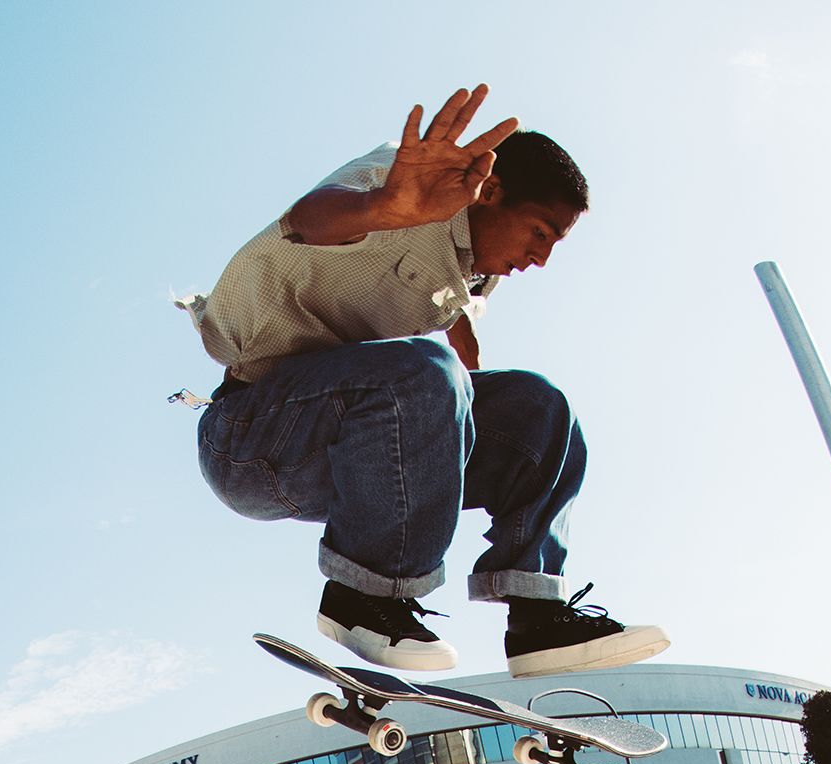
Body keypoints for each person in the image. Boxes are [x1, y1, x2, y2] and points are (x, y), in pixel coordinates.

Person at [184, 84, 668, 680]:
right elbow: (307, 221)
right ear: (491, 192)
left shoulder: (474, 267)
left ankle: (536, 618)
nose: (540, 259)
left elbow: (450, 319)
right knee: (424, 371)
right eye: (539, 233)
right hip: (254, 439)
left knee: (538, 406)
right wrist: (385, 207)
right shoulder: (405, 183)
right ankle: (364, 598)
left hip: (356, 449)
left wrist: (463, 378)